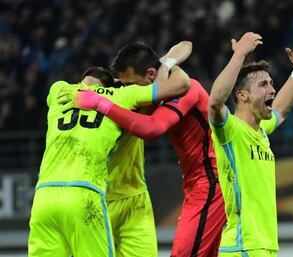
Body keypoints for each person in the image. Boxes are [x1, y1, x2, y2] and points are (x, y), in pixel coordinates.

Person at [64, 42, 227, 257]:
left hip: (212, 179)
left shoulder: (183, 89)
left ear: (151, 75)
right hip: (197, 180)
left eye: (131, 83)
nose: (128, 89)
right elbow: (182, 48)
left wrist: (102, 105)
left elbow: (153, 128)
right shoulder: (148, 90)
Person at [28, 65, 190, 257]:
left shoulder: (58, 90)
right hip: (84, 192)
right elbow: (178, 85)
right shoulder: (120, 96)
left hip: (43, 196)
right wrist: (168, 63)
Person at [208, 32, 293, 257]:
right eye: (263, 85)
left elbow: (282, 109)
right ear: (242, 96)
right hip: (242, 246)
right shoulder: (231, 131)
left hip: (264, 245)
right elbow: (215, 102)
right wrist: (239, 54)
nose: (272, 89)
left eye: (271, 83)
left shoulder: (261, 131)